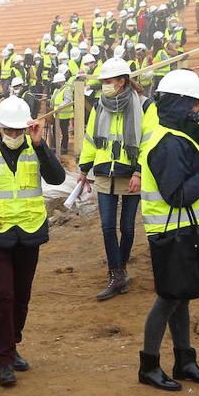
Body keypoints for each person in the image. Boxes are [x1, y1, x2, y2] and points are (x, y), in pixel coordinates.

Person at [136, 70, 199, 392]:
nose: (198, 110)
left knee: (181, 298)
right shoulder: (166, 143)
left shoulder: (176, 136)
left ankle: (185, 361)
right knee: (167, 298)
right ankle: (149, 366)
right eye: (193, 104)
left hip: (184, 230)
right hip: (172, 232)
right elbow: (177, 195)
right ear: (178, 104)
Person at [0, 96, 64, 386]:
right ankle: (5, 359)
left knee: (22, 295)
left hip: (30, 231)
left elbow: (57, 177)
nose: (13, 136)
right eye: (8, 130)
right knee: (4, 294)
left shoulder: (35, 148)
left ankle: (13, 342)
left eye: (18, 130)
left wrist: (39, 143)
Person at [79, 57, 148, 301]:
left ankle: (121, 268)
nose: (104, 85)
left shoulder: (142, 104)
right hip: (103, 172)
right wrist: (84, 168)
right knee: (107, 226)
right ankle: (116, 274)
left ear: (122, 81)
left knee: (126, 228)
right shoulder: (100, 105)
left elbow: (147, 141)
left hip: (130, 174)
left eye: (108, 81)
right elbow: (90, 139)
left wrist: (139, 171)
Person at [50, 71, 76, 154]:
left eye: (57, 83)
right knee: (54, 131)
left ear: (61, 82)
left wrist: (59, 107)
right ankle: (55, 147)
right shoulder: (57, 90)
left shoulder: (67, 90)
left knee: (64, 132)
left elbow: (68, 100)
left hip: (64, 115)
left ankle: (64, 148)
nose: (55, 84)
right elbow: (54, 100)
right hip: (56, 115)